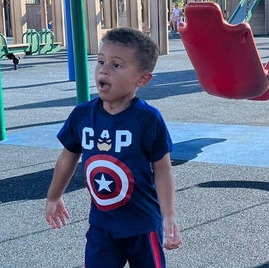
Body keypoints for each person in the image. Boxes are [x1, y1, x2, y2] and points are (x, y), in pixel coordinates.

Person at [45, 27, 181, 267]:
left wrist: (168, 217)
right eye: (100, 61)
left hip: (142, 225)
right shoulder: (82, 115)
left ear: (142, 79)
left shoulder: (147, 119)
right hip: (102, 226)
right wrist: (54, 196)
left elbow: (162, 169)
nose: (104, 69)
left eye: (116, 65)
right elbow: (68, 157)